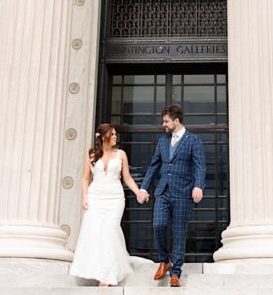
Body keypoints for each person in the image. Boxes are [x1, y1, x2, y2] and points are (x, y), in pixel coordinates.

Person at [69, 123, 148, 287]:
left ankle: (108, 274)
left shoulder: (121, 154)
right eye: (112, 134)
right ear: (104, 136)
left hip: (115, 198)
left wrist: (138, 192)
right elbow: (85, 178)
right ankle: (100, 272)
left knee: (110, 231)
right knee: (96, 233)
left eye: (115, 134)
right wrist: (85, 197)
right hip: (96, 196)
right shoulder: (92, 154)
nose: (115, 137)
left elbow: (126, 177)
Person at [139, 104, 206, 288]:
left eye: (166, 121)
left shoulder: (193, 140)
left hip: (183, 192)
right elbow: (154, 166)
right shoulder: (162, 141)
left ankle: (175, 272)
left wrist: (198, 186)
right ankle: (164, 260)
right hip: (163, 191)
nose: (164, 124)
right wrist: (144, 188)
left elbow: (200, 165)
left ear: (176, 121)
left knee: (178, 232)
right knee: (158, 225)